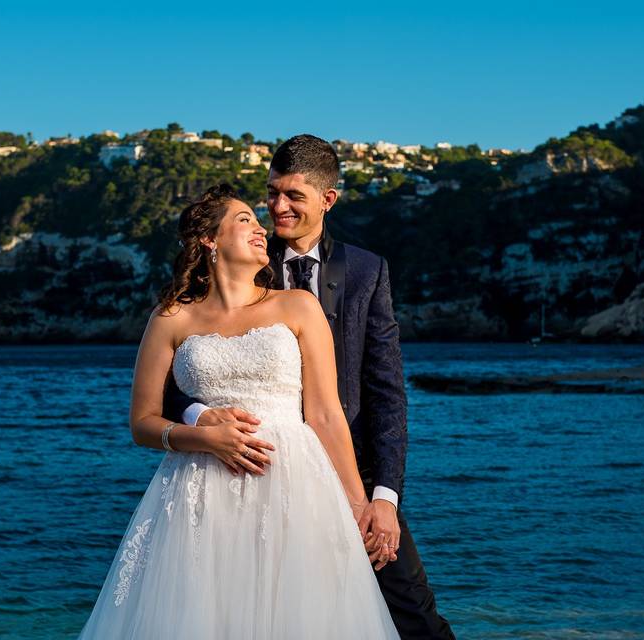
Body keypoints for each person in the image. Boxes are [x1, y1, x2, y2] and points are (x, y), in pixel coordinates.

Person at [76, 184, 400, 639]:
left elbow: (325, 414)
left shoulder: (297, 307)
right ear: (210, 239)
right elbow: (143, 422)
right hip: (200, 491)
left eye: (256, 220)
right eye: (245, 219)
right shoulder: (171, 318)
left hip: (295, 485)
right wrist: (203, 438)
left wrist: (357, 503)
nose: (260, 228)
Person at [164, 134, 455, 639]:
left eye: (294, 195)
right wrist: (201, 419)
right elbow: (178, 377)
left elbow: (387, 392)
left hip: (350, 473)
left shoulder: (368, 271)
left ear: (327, 199)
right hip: (252, 473)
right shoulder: (239, 257)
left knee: (415, 615)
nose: (277, 207)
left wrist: (383, 497)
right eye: (272, 192)